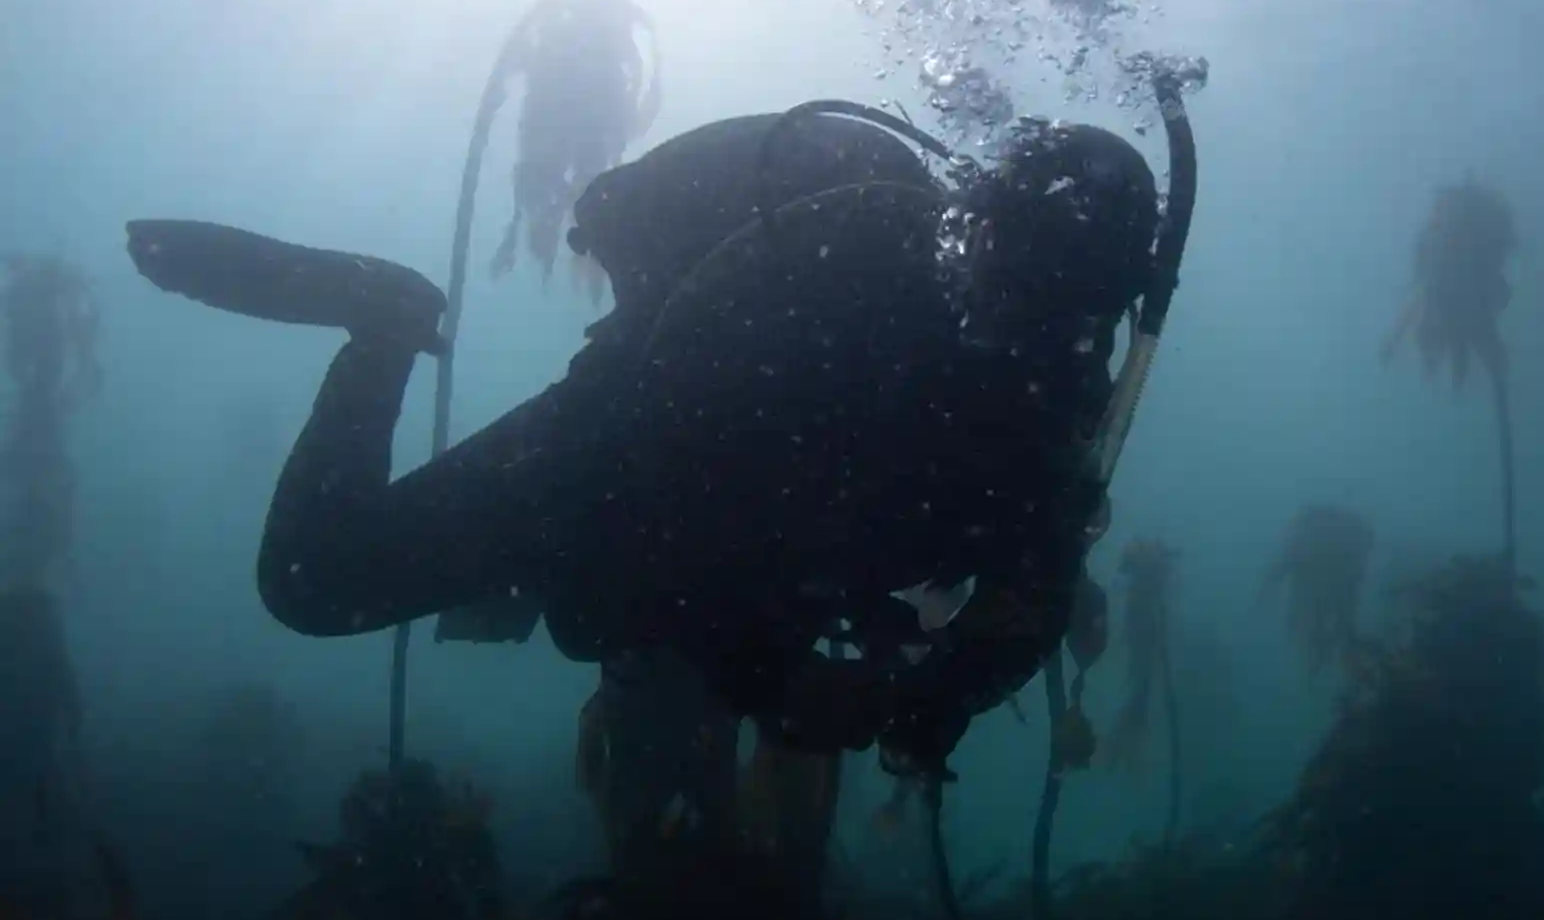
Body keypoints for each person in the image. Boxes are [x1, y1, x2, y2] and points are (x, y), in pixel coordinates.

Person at [127, 105, 1163, 874]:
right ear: (974, 227)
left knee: (728, 836)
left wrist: (933, 702)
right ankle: (385, 314)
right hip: (611, 463)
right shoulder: (845, 252)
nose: (1029, 320)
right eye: (1018, 274)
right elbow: (672, 452)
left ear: (1113, 297)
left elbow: (1035, 581)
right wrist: (776, 678)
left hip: (756, 560)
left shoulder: (1057, 391)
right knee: (316, 584)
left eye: (1074, 300)